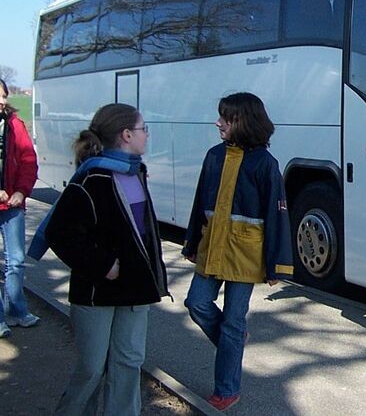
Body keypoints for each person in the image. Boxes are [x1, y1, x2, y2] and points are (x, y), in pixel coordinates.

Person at [45, 103, 169, 415]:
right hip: (96, 293)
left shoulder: (135, 171)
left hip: (134, 290)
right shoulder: (92, 178)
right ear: (127, 135)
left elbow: (143, 235)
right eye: (143, 129)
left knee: (128, 363)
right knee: (92, 368)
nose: (147, 135)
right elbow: (60, 234)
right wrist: (103, 265)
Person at [182, 92, 293, 411]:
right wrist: (191, 243)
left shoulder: (265, 163)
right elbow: (198, 203)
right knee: (196, 303)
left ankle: (226, 390)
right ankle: (233, 342)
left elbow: (277, 215)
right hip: (211, 248)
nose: (218, 122)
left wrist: (277, 266)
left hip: (245, 254)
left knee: (233, 321)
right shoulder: (213, 156)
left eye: (226, 119)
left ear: (242, 122)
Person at [0, 78, 39, 338]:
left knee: (16, 261)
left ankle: (17, 311)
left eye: (3, 96)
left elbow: (28, 160)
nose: (2, 101)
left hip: (12, 204)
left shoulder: (15, 125)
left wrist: (21, 191)